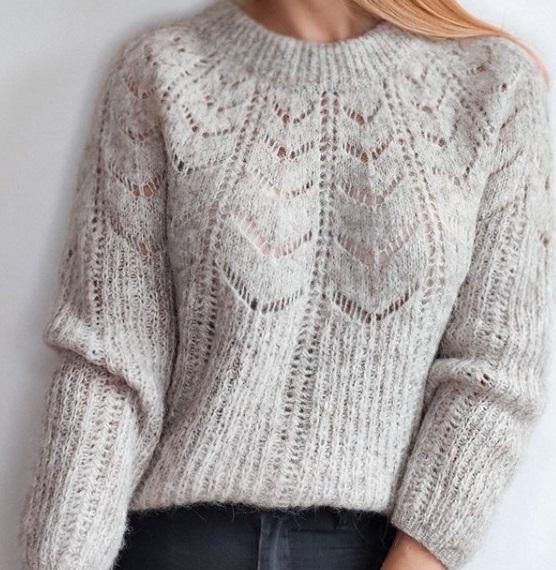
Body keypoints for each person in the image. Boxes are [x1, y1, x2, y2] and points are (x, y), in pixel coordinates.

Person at [17, 0, 553, 569]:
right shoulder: (164, 70)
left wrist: (419, 557)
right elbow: (108, 366)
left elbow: (495, 368)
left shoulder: (491, 84)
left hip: (373, 548)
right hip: (181, 544)